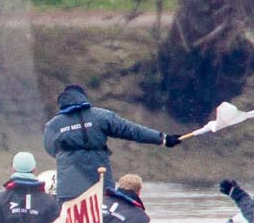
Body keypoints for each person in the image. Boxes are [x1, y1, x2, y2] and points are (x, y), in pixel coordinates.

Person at [42, 84, 181, 199]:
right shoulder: (101, 116)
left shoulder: (53, 125)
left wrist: (68, 154)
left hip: (69, 185)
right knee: (103, 218)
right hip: (99, 180)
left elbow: (50, 149)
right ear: (83, 97)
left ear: (61, 101)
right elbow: (131, 130)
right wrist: (163, 138)